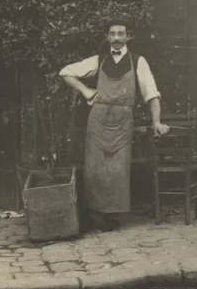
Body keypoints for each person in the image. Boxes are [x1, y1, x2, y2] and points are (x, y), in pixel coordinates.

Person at [59, 18, 169, 232]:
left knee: (118, 170)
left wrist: (156, 121)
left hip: (122, 122)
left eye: (121, 34)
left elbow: (152, 95)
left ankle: (112, 216)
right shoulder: (98, 60)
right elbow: (66, 72)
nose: (117, 38)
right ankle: (95, 215)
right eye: (112, 34)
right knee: (94, 169)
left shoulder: (138, 61)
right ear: (107, 37)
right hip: (98, 121)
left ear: (128, 36)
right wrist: (86, 91)